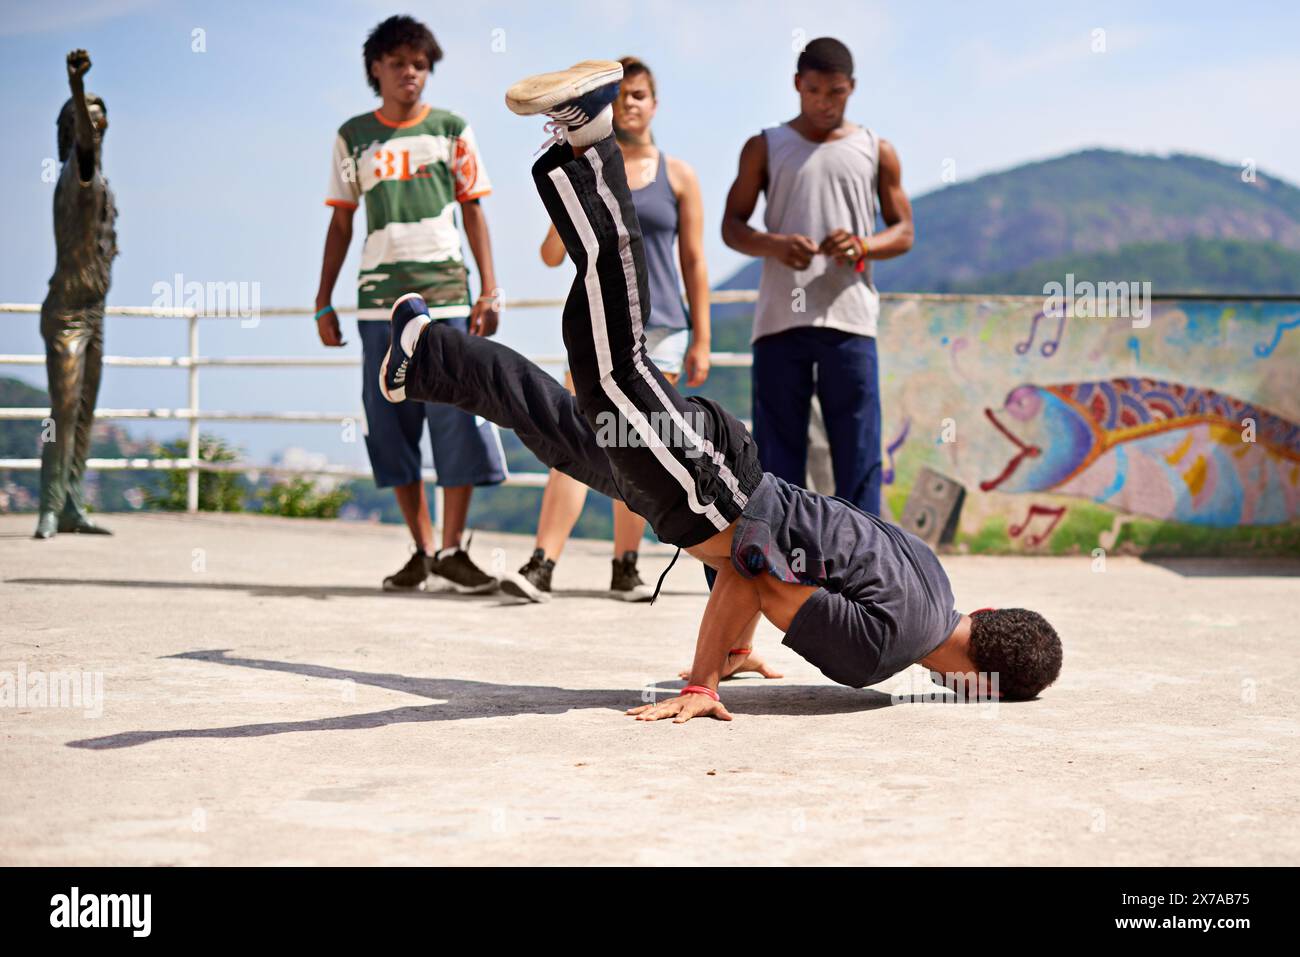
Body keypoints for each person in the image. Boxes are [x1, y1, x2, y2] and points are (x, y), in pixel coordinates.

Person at [373, 61, 1062, 723]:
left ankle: (428, 355)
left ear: (993, 609)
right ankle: (591, 138)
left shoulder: (933, 579)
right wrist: (703, 681)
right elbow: (755, 568)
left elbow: (802, 551)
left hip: (717, 480)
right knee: (613, 368)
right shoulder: (881, 655)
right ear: (977, 685)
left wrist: (734, 648)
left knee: (562, 426)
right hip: (712, 490)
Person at [506, 57, 712, 604]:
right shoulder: (594, 165)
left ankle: (626, 566)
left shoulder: (680, 175)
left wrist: (704, 338)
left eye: (640, 94)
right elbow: (552, 254)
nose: (631, 104)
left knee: (636, 445)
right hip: (598, 320)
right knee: (575, 439)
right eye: (621, 96)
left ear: (654, 101)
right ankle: (541, 562)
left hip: (662, 325)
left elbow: (693, 260)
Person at [313, 15, 505, 594]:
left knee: (458, 419)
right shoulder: (353, 136)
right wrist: (323, 302)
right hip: (378, 302)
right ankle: (421, 550)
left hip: (447, 296)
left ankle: (452, 549)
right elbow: (341, 221)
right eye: (399, 64)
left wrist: (489, 290)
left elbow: (474, 209)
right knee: (390, 423)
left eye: (420, 65)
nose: (411, 75)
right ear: (376, 67)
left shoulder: (452, 129)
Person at [722, 37, 915, 517]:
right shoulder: (764, 146)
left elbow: (905, 231)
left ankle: (866, 571)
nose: (825, 102)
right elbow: (732, 226)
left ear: (851, 88)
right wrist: (775, 244)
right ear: (796, 86)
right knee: (777, 456)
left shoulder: (876, 149)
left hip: (849, 321)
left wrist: (863, 245)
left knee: (859, 456)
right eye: (814, 91)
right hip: (778, 323)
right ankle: (784, 571)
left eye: (836, 92)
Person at [35, 49, 117, 540]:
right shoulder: (76, 175)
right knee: (60, 413)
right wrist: (76, 86)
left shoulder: (101, 183)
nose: (96, 128)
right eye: (88, 122)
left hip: (96, 310)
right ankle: (47, 504)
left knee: (84, 410)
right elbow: (84, 148)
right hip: (67, 312)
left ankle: (71, 503)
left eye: (100, 121)